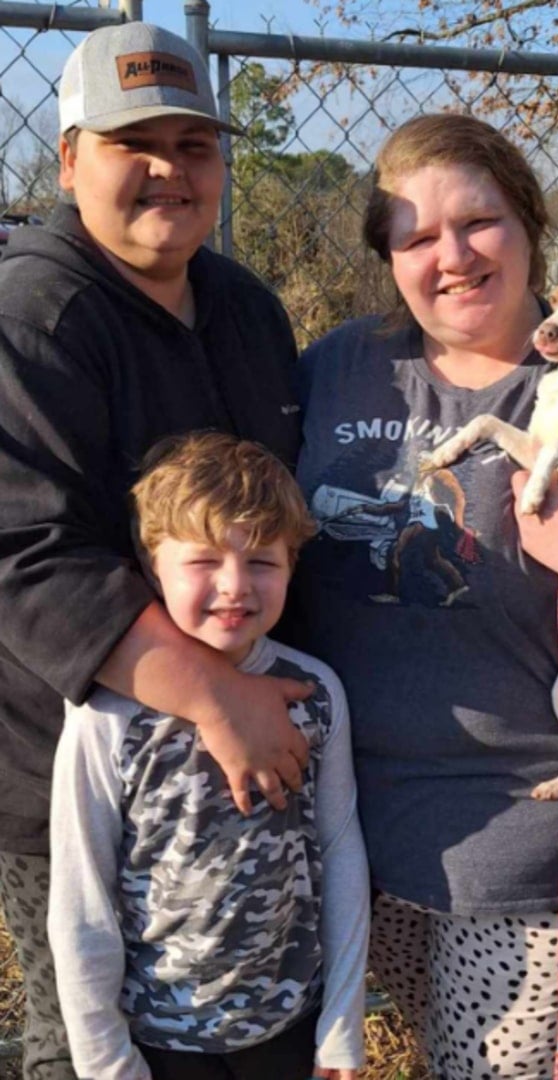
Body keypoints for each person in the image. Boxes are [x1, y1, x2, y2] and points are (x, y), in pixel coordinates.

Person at [286, 113, 558, 1079]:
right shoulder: (333, 366)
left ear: (527, 225)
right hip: (362, 830)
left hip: (546, 837)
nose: (451, 255)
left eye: (477, 221)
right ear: (387, 257)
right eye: (413, 236)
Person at [0, 22, 312, 1079]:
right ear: (70, 160)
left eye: (194, 145)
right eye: (136, 142)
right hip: (73, 772)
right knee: (94, 1032)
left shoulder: (246, 309)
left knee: (234, 1015)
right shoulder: (31, 314)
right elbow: (21, 553)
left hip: (238, 769)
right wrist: (211, 697)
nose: (169, 170)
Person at [47, 432, 369, 1080]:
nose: (234, 586)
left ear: (292, 564)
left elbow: (339, 854)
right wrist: (107, 1064)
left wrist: (340, 1026)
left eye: (262, 562)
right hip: (157, 1043)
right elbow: (81, 895)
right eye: (203, 561)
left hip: (290, 1028)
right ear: (149, 563)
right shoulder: (104, 713)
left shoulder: (318, 693)